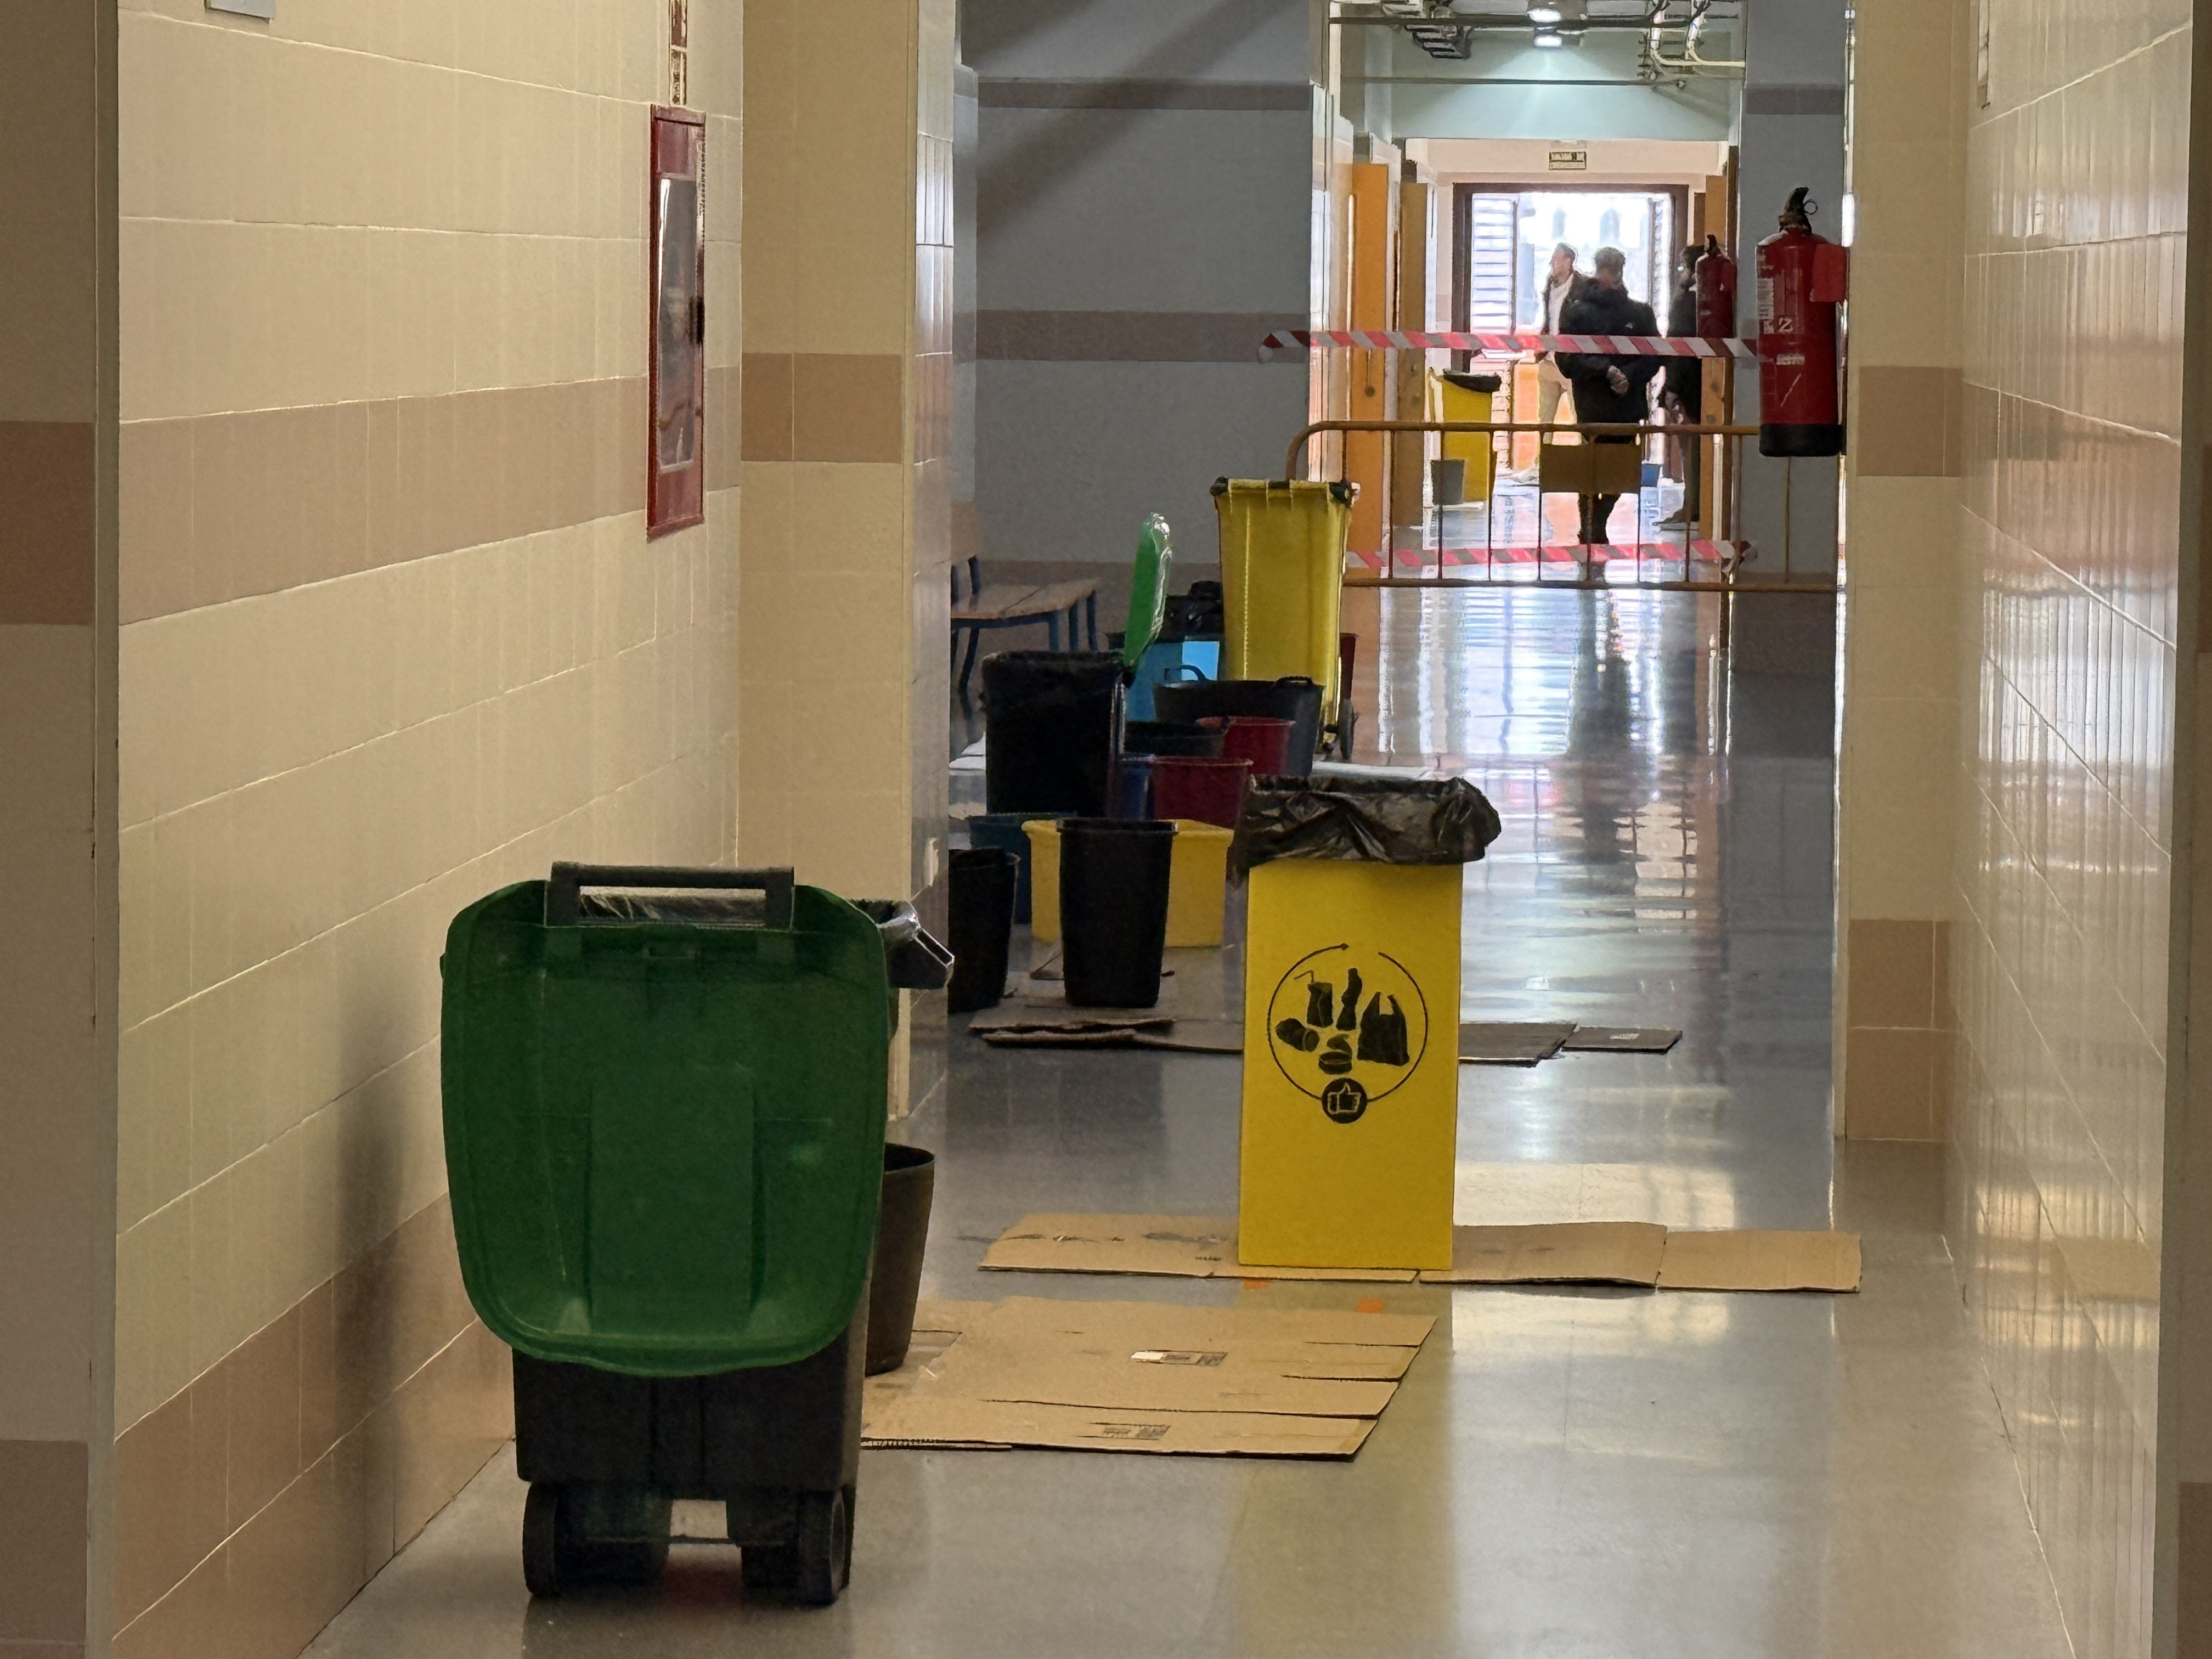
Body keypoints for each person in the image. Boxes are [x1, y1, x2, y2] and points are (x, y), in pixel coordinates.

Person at [1556, 246, 1662, 545]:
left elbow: (1655, 356)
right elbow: (1567, 361)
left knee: (1620, 473)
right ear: (1598, 269)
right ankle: (1591, 527)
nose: (1611, 276)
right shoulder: (1578, 312)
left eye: (1615, 269)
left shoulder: (1639, 314)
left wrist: (1629, 376)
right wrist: (1606, 371)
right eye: (1607, 269)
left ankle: (1596, 523)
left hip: (1626, 407)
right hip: (1594, 406)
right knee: (1592, 470)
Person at [1658, 244, 1703, 528]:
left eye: (1682, 267)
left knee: (1691, 448)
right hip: (1701, 382)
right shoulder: (1715, 299)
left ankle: (1693, 506)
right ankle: (1694, 504)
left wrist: (1671, 387)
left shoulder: (1686, 302)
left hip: (1688, 385)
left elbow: (1677, 344)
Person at [1533, 242, 1589, 430]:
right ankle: (1543, 458)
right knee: (1544, 419)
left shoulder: (1583, 287)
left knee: (1578, 415)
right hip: (1549, 360)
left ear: (1568, 261)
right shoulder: (1550, 286)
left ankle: (1581, 457)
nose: (1552, 263)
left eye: (1557, 259)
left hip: (1572, 361)